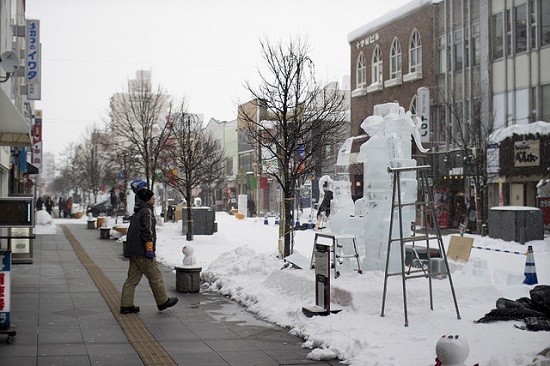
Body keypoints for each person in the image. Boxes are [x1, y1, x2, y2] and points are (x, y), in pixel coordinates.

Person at [120, 188, 178, 314]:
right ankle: (163, 301)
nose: (155, 198)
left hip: (134, 250)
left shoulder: (138, 210)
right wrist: (149, 249)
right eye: (152, 196)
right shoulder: (146, 211)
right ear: (147, 199)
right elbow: (147, 231)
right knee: (155, 275)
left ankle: (126, 305)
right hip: (142, 251)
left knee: (132, 280)